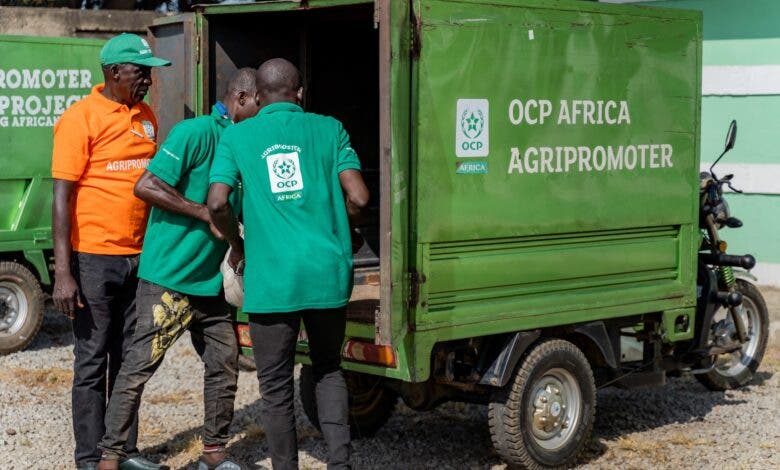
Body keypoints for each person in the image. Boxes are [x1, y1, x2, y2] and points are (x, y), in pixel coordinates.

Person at [95, 68, 261, 470]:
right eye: (261, 104)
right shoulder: (196, 133)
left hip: (212, 285)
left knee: (223, 364)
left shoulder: (247, 142)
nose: (265, 113)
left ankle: (214, 453)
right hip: (168, 278)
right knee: (138, 368)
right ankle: (109, 458)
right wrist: (202, 211)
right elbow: (146, 186)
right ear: (241, 99)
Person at [207, 58, 370, 470]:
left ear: (258, 97)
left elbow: (217, 202)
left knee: (275, 386)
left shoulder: (238, 136)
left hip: (271, 280)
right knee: (329, 369)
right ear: (300, 92)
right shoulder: (330, 129)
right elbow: (360, 198)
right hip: (325, 276)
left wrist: (235, 243)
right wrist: (341, 227)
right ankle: (340, 464)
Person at [51, 33, 170, 470]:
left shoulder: (147, 117)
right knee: (91, 362)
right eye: (142, 73)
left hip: (140, 258)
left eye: (150, 73)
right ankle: (88, 458)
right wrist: (64, 272)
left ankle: (122, 451)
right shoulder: (80, 118)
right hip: (94, 260)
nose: (148, 81)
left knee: (129, 359)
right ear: (115, 72)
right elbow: (61, 197)